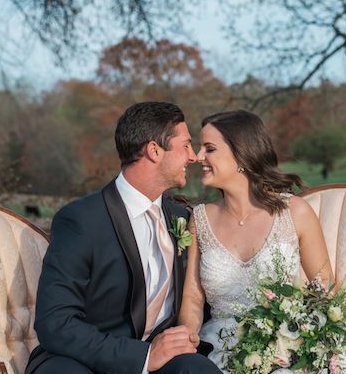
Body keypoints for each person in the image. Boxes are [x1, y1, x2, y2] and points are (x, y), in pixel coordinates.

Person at [26, 102, 222, 374]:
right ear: (154, 151)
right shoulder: (81, 220)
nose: (193, 157)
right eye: (186, 145)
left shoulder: (181, 217)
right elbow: (55, 322)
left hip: (163, 358)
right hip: (84, 360)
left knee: (197, 370)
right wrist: (143, 356)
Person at [178, 110, 346, 373]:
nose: (198, 156)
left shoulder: (294, 212)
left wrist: (308, 338)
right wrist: (187, 339)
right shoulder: (201, 219)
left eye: (210, 148)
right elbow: (193, 297)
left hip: (291, 341)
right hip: (222, 347)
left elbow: (326, 290)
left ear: (241, 155)